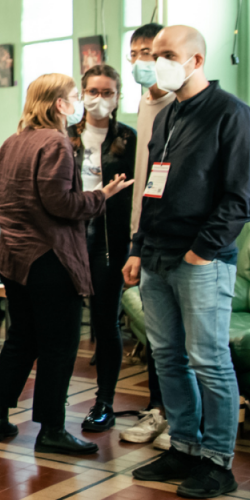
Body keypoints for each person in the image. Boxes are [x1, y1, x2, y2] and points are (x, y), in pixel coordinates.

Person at [125, 26, 250, 499]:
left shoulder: (234, 116)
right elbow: (152, 187)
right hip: (156, 256)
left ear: (197, 61)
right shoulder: (167, 116)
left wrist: (200, 251)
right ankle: (183, 446)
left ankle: (217, 462)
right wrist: (137, 248)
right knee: (168, 357)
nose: (155, 61)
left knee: (210, 361)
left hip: (202, 260)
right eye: (153, 53)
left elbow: (242, 197)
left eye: (166, 54)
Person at [0, 75, 133, 452]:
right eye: (74, 97)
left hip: (14, 256)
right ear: (58, 105)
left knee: (21, 339)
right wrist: (100, 196)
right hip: (49, 259)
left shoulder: (12, 142)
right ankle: (51, 430)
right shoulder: (55, 142)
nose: (80, 102)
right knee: (60, 345)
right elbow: (61, 204)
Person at [70, 65, 138, 433]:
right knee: (63, 324)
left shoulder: (130, 139)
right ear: (82, 93)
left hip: (109, 244)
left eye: (108, 92)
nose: (99, 99)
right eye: (93, 91)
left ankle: (104, 401)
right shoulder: (64, 137)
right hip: (69, 239)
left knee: (105, 323)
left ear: (117, 96)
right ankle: (53, 401)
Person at [122, 22, 172, 445]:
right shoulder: (143, 102)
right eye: (135, 52)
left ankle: (183, 421)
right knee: (158, 335)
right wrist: (136, 238)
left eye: (149, 53)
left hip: (180, 242)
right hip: (145, 235)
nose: (142, 60)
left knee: (183, 342)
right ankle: (159, 410)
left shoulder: (186, 104)